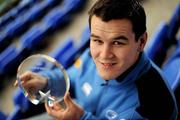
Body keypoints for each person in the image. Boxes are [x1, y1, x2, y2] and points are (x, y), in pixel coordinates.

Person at [15, 0, 178, 119]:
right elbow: (72, 76)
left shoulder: (154, 105)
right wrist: (46, 81)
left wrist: (81, 118)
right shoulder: (91, 56)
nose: (103, 55)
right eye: (97, 40)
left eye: (117, 42)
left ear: (141, 42)